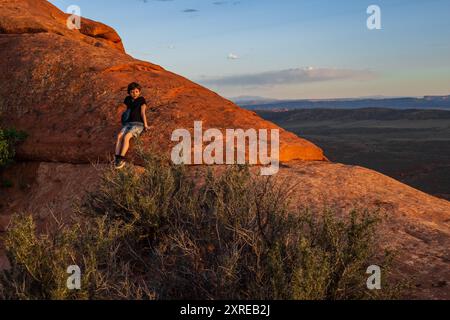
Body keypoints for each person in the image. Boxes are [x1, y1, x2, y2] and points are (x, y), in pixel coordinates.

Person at [114, 82, 150, 169]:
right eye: (132, 92)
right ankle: (116, 158)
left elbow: (143, 113)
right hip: (128, 123)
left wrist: (146, 125)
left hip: (138, 124)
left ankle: (121, 159)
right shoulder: (127, 99)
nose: (134, 93)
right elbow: (124, 109)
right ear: (129, 92)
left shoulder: (141, 100)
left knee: (126, 137)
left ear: (139, 92)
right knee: (119, 136)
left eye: (137, 91)